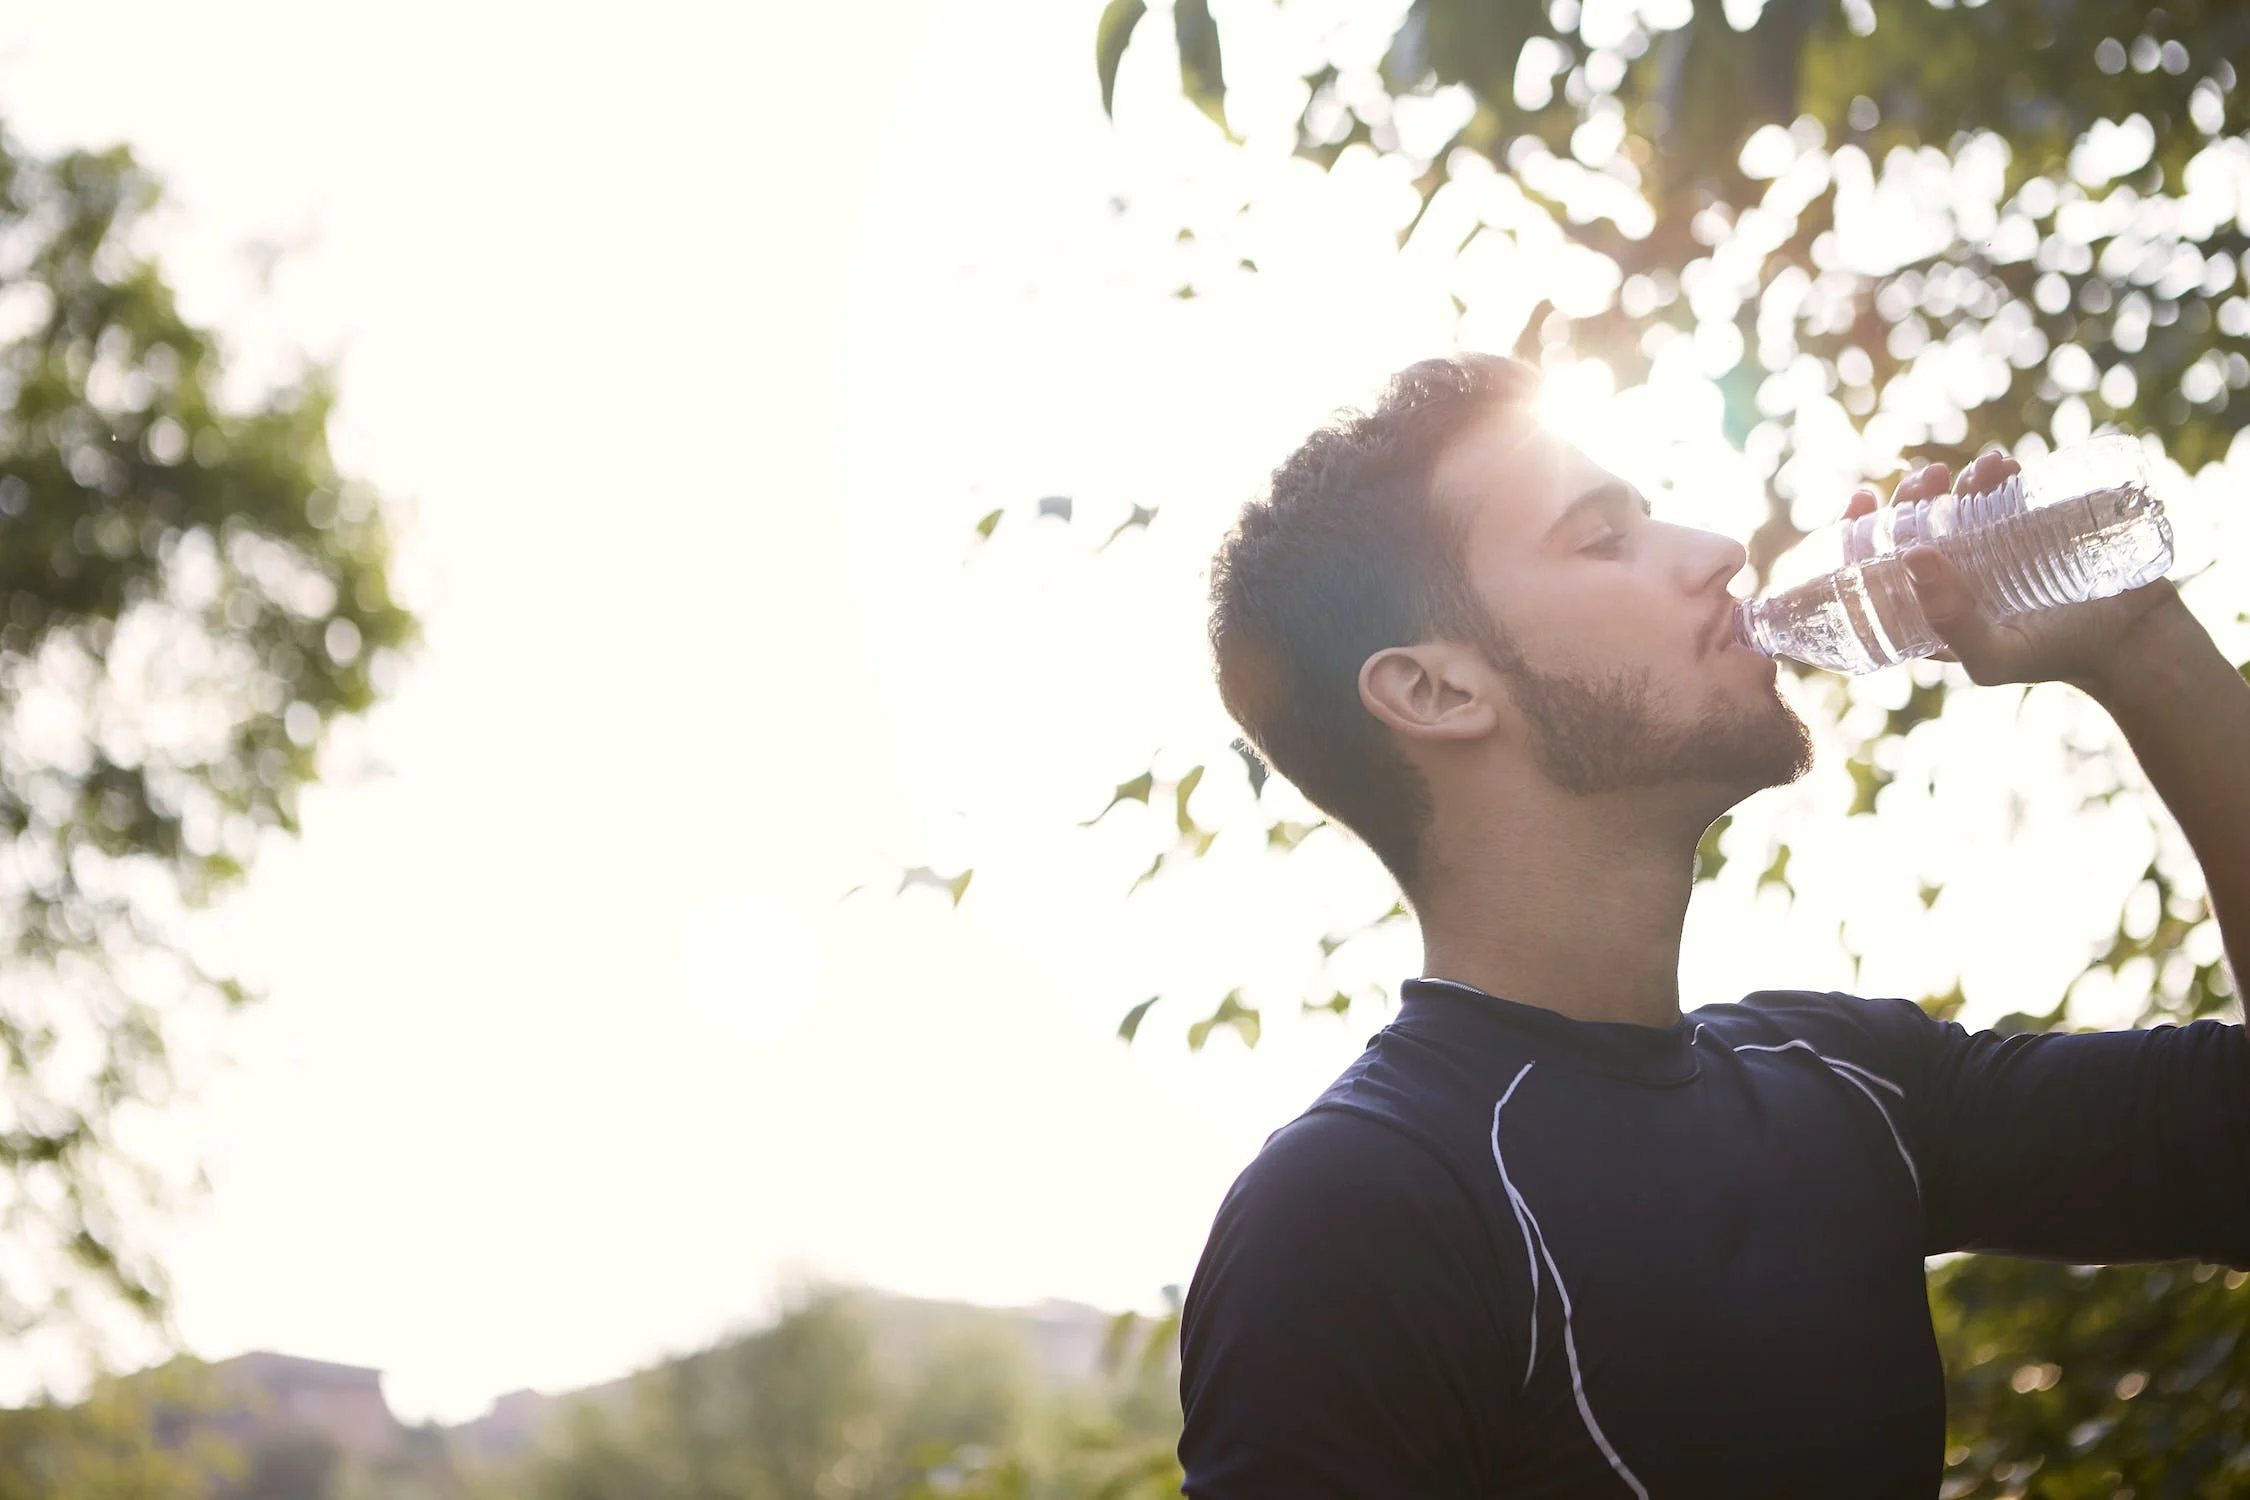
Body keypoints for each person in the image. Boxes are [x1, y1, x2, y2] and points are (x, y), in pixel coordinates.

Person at [1179, 352, 2249, 1498]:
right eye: (1604, 538)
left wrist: (2143, 648)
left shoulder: (1845, 1081)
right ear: (1437, 692)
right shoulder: (1358, 1209)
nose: (1719, 552)